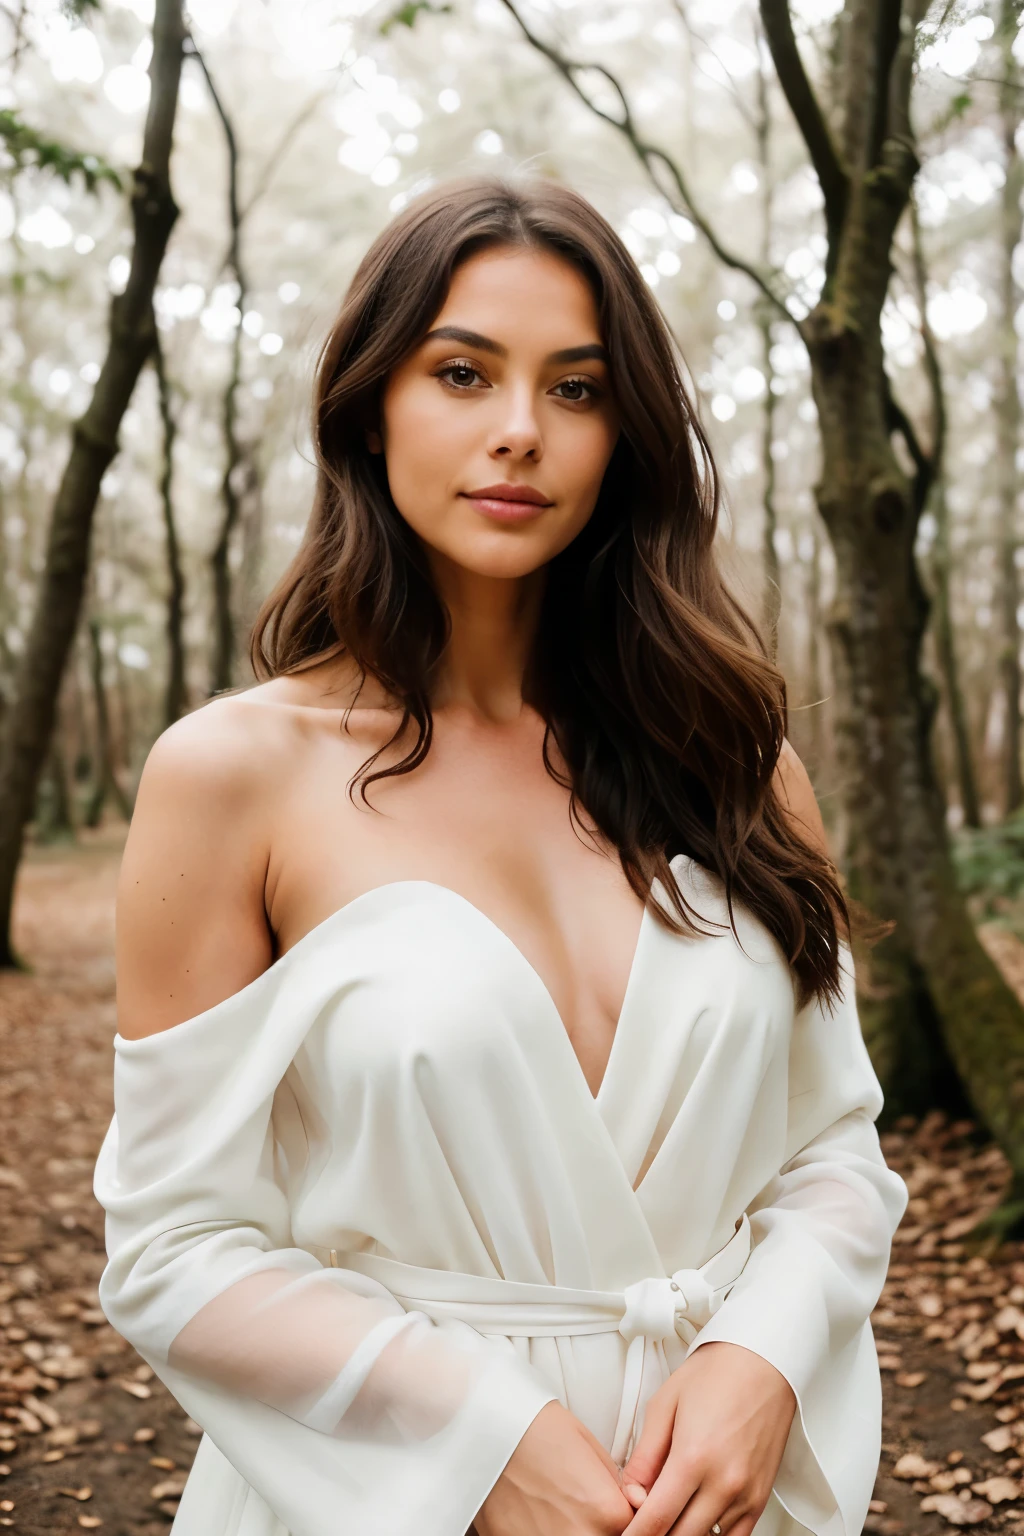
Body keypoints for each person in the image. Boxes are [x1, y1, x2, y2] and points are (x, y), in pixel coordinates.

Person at [93, 174, 908, 1536]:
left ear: (625, 435)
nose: (519, 433)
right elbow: (171, 1247)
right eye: (462, 372)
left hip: (712, 1498)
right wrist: (479, 1439)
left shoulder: (737, 757)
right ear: (370, 406)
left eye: (578, 389)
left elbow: (831, 1150)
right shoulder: (233, 776)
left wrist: (760, 1355)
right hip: (391, 1493)